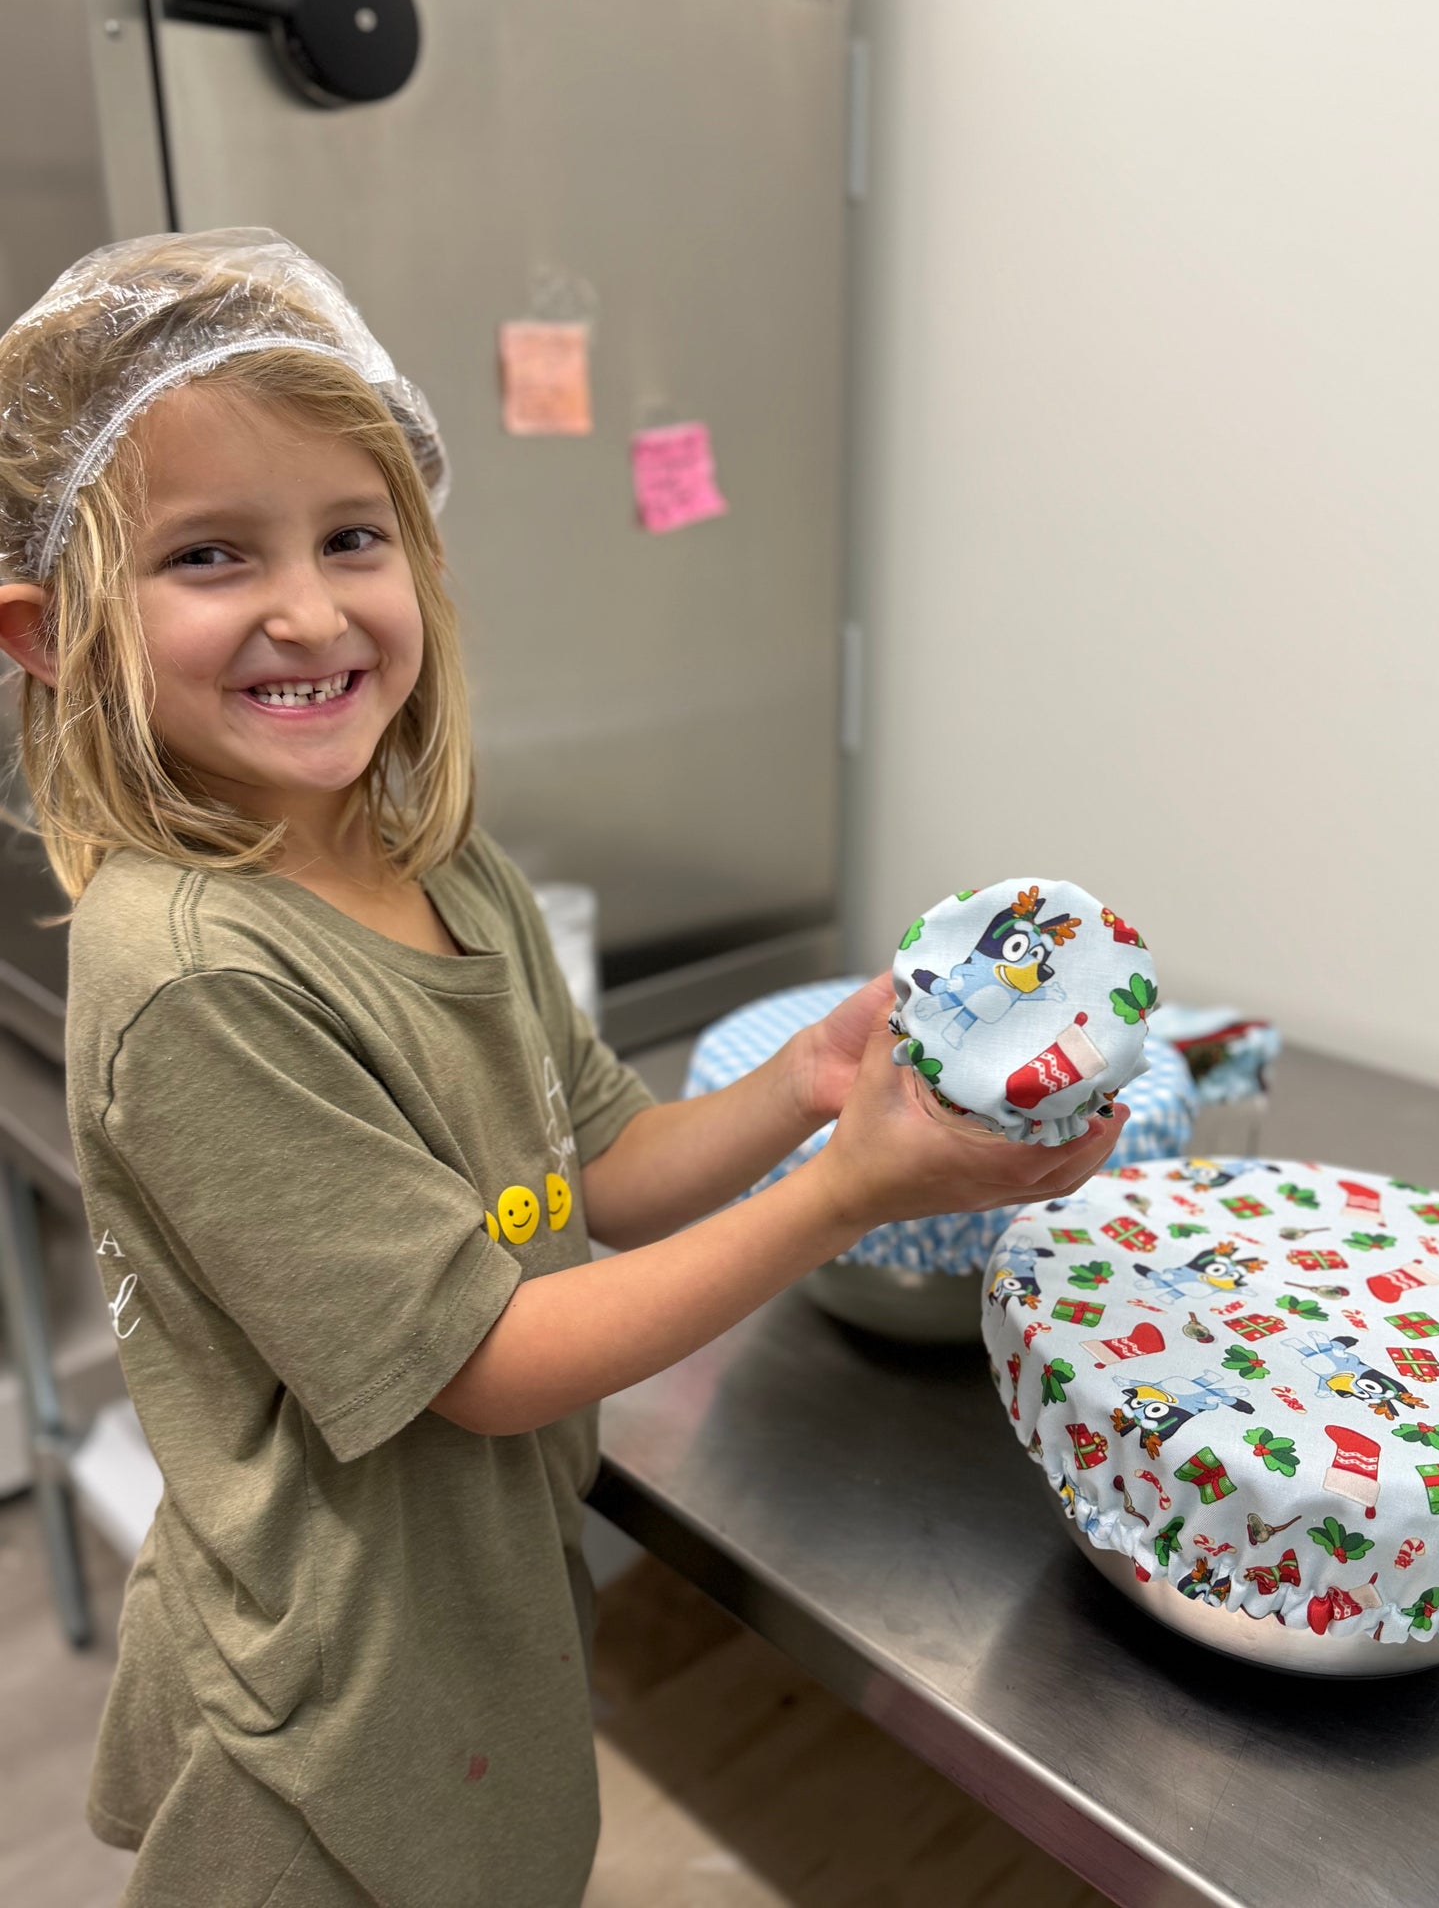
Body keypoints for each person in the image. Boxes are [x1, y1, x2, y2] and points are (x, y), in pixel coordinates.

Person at [0, 230, 1126, 1907]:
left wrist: (806, 1085)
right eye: (212, 555)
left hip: (484, 1629)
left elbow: (600, 1163)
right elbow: (492, 1362)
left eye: (352, 535)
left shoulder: (443, 865)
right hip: (327, 1727)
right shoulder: (188, 978)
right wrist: (849, 1192)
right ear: (48, 632)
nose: (308, 607)